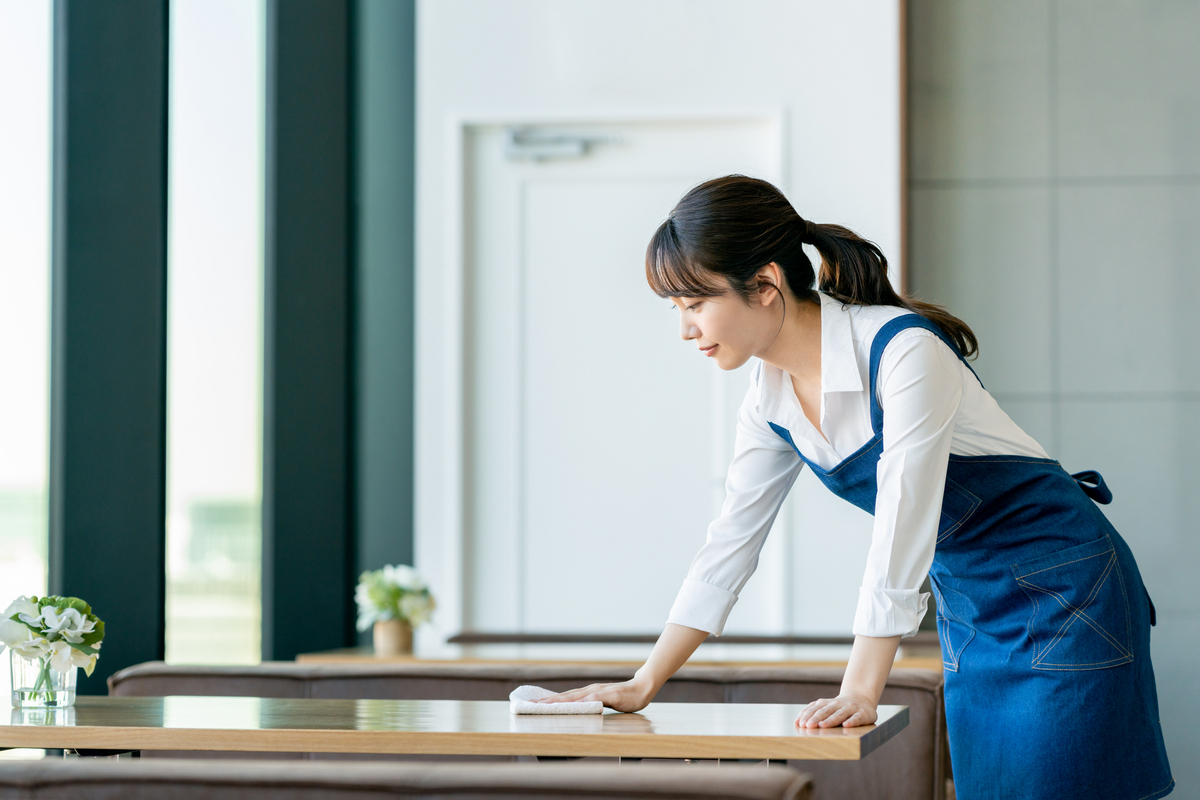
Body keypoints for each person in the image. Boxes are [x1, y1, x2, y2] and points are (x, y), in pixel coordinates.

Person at [540, 175, 1173, 799]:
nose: (685, 330)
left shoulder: (904, 351)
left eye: (696, 304)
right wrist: (645, 682)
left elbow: (904, 518)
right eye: (676, 309)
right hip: (974, 609)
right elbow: (729, 545)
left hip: (1068, 591)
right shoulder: (768, 400)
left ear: (765, 283)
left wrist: (862, 689)